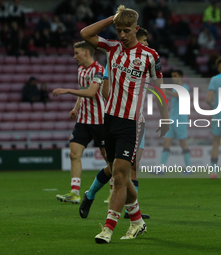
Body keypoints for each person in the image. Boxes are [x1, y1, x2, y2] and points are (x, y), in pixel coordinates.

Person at [80, 5, 169, 243]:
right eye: (118, 30)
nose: (121, 35)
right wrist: (111, 18)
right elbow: (85, 34)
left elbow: (158, 90)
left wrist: (165, 116)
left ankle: (108, 229)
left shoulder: (150, 56)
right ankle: (138, 221)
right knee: (121, 176)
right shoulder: (112, 48)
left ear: (136, 29)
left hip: (132, 123)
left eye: (126, 30)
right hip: (109, 120)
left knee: (120, 175)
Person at [79, 28, 151, 220]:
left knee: (133, 165)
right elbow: (104, 92)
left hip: (138, 120)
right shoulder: (116, 59)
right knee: (117, 168)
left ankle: (131, 210)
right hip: (118, 119)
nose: (146, 45)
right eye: (144, 41)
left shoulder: (146, 61)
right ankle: (90, 194)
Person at [52, 41, 109, 204]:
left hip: (100, 120)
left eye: (77, 53)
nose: (74, 56)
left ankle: (114, 191)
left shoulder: (98, 69)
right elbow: (82, 90)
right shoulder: (81, 70)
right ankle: (75, 192)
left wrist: (66, 90)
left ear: (86, 52)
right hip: (83, 120)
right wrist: (76, 107)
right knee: (74, 154)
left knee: (108, 158)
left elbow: (91, 92)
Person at [160, 70, 191, 173]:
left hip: (181, 119)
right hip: (172, 119)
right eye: (172, 76)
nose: (173, 77)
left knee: (183, 143)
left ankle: (189, 168)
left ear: (180, 76)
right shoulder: (174, 88)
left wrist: (163, 90)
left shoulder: (185, 87)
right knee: (166, 143)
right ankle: (161, 168)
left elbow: (176, 95)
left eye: (175, 75)